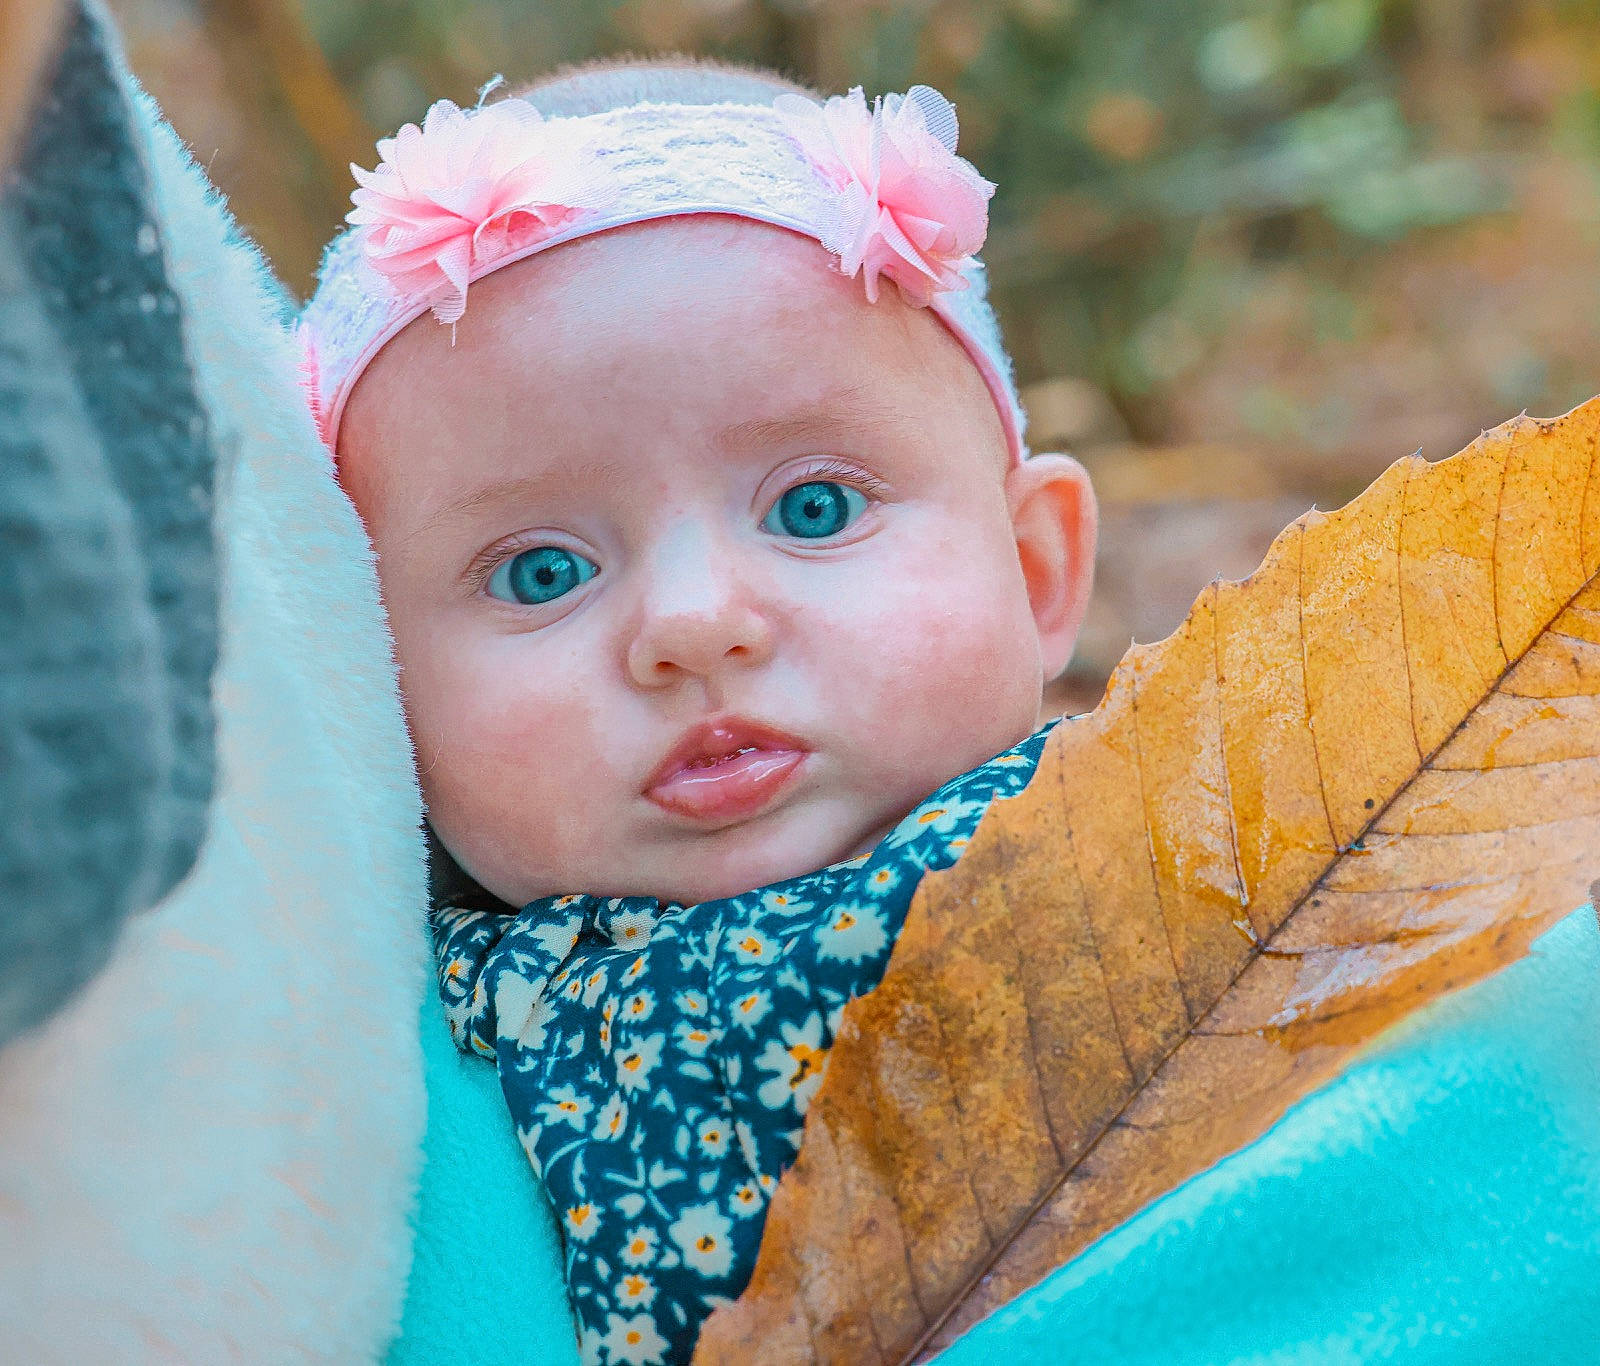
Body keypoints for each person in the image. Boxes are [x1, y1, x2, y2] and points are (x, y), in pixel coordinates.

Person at [301, 57, 1097, 1361]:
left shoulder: (1235, 844)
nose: (692, 622)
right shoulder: (369, 1084)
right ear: (372, 683)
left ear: (1037, 567)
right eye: (541, 572)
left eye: (814, 507)